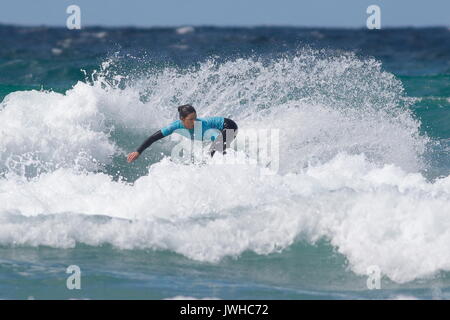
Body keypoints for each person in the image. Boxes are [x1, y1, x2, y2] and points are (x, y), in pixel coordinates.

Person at [127, 104, 238, 163]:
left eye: (195, 118)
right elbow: (153, 138)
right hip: (221, 127)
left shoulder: (202, 127)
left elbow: (217, 140)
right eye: (191, 119)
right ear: (182, 119)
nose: (194, 122)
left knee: (213, 153)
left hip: (229, 126)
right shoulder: (175, 126)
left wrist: (221, 153)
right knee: (211, 154)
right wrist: (138, 152)